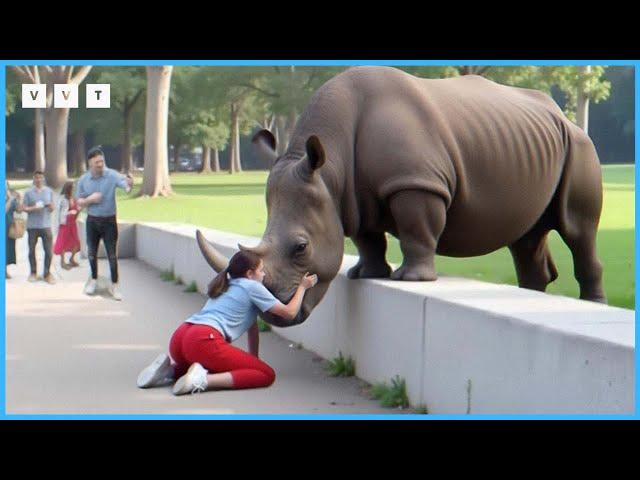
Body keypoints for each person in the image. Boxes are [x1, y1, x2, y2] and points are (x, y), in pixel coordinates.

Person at [136, 250, 318, 395]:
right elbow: (289, 312)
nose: (263, 275)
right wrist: (302, 287)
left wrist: (252, 360)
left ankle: (168, 372)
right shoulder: (253, 286)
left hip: (181, 337)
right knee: (266, 375)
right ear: (249, 273)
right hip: (202, 340)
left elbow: (251, 326)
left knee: (205, 365)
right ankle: (202, 381)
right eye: (261, 270)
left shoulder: (227, 284)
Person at [76, 147, 133, 300]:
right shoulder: (83, 180)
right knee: (91, 254)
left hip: (109, 221)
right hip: (92, 221)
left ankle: (115, 286)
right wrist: (90, 199)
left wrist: (130, 183)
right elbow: (79, 203)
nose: (100, 165)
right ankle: (93, 280)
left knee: (112, 255)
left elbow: (126, 187)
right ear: (90, 164)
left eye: (102, 161)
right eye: (97, 163)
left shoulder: (112, 175)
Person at [20, 171, 55, 284]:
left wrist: (50, 207)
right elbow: (23, 208)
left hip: (46, 225)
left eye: (41, 178)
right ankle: (33, 272)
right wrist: (33, 208)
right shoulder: (28, 193)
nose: (39, 180)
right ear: (34, 180)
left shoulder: (49, 191)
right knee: (31, 250)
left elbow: (53, 207)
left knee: (49, 251)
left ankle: (47, 273)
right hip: (32, 226)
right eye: (36, 178)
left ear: (43, 179)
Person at [53, 181, 82, 270]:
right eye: (72, 188)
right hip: (65, 224)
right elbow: (61, 213)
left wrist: (79, 210)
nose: (74, 189)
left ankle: (71, 259)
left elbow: (76, 211)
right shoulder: (63, 199)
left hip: (72, 223)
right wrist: (70, 212)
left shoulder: (74, 199)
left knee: (76, 242)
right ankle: (62, 262)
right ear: (68, 188)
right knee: (63, 242)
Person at [5, 181, 21, 279]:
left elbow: (19, 210)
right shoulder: (9, 199)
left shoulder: (10, 197)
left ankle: (5, 271)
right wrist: (10, 199)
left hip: (9, 226)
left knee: (8, 248)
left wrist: (19, 199)